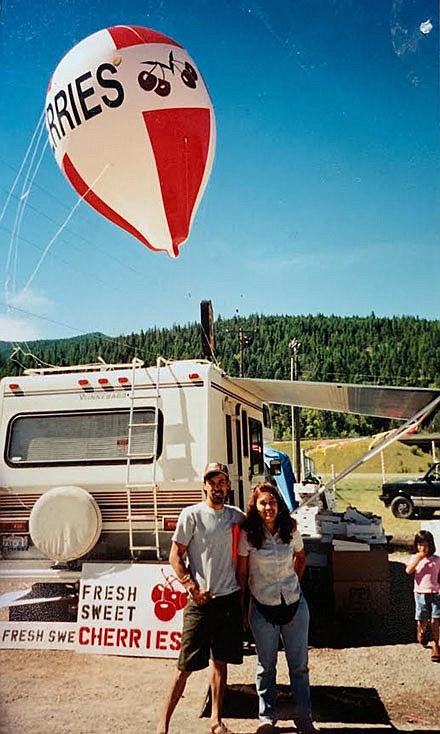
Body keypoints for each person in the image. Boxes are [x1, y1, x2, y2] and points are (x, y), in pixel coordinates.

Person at [156, 462, 245, 734]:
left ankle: (216, 720)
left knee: (220, 662)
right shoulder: (191, 515)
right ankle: (163, 724)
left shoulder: (237, 517)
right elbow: (175, 556)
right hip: (200, 602)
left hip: (228, 599)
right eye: (212, 482)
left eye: (222, 482)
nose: (217, 487)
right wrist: (192, 588)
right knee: (185, 666)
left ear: (228, 486)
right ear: (204, 485)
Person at [237, 482, 317, 734]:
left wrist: (292, 583)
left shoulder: (290, 528)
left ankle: (303, 716)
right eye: (263, 503)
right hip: (262, 607)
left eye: (272, 502)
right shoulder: (248, 534)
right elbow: (242, 572)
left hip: (294, 605)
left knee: (299, 666)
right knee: (266, 665)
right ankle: (267, 716)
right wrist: (244, 607)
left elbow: (300, 558)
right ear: (255, 506)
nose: (268, 507)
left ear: (278, 504)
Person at [405, 529, 440, 662]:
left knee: (435, 619)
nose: (422, 548)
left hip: (436, 594)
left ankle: (436, 645)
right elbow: (408, 571)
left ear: (431, 545)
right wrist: (419, 558)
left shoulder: (436, 560)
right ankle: (422, 632)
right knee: (422, 619)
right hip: (420, 593)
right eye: (419, 545)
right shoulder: (415, 558)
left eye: (425, 545)